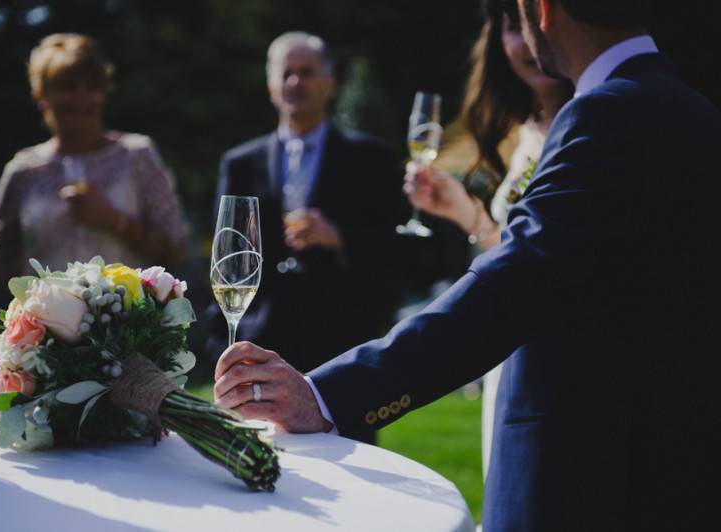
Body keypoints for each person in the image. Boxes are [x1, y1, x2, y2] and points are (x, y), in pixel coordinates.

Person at [213, 1, 721, 530]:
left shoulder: (604, 112)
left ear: (541, 10)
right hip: (675, 462)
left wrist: (327, 395)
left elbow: (508, 290)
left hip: (586, 468)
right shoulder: (695, 111)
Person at [405, 0, 572, 481]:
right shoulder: (526, 130)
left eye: (530, 21)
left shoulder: (589, 125)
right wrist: (463, 211)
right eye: (511, 27)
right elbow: (516, 249)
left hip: (556, 361)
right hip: (507, 351)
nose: (527, 39)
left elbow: (542, 265)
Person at [205, 32, 413, 387]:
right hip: (261, 340)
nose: (295, 82)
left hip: (343, 343)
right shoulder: (239, 162)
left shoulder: (370, 158)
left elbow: (401, 245)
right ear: (271, 86)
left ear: (330, 83)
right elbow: (226, 253)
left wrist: (339, 237)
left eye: (307, 72)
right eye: (286, 73)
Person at [0, 33, 189, 285]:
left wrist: (114, 220)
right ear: (41, 94)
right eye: (68, 88)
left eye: (93, 88)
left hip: (128, 321)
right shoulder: (23, 170)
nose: (82, 99)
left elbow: (177, 249)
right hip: (48, 323)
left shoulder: (137, 156)